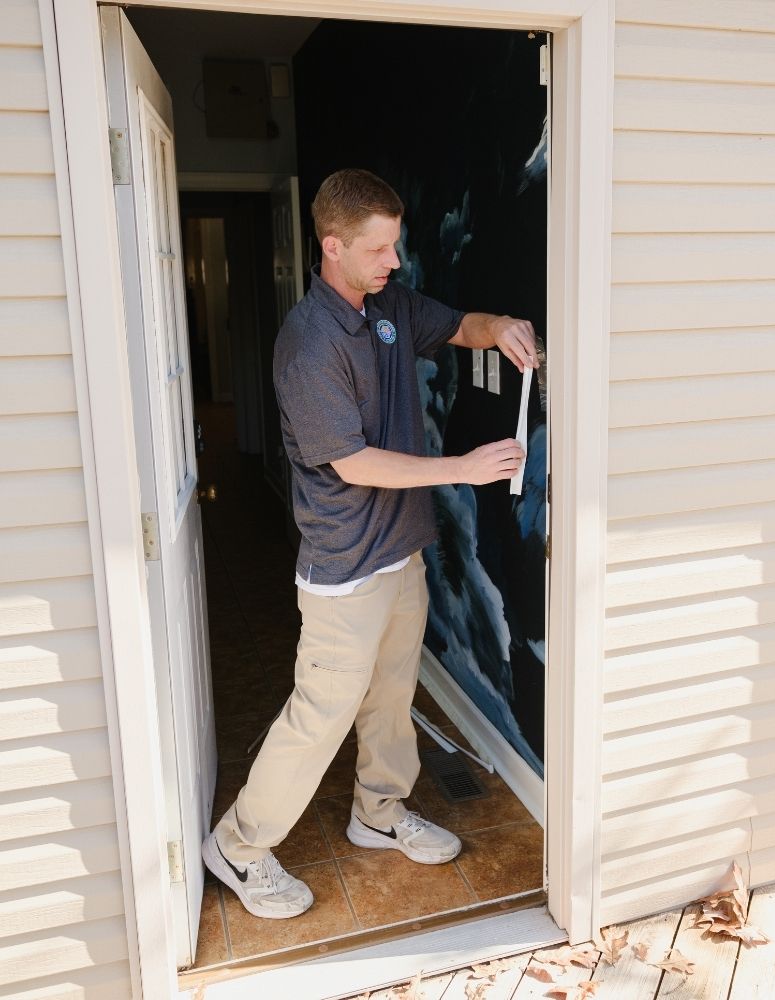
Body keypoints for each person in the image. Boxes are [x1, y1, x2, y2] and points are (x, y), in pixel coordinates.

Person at [202, 168, 538, 919]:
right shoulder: (308, 345)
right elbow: (353, 462)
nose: (394, 261)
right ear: (332, 247)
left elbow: (461, 326)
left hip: (400, 554)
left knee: (390, 700)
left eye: (396, 245)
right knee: (321, 711)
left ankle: (378, 812)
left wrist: (503, 328)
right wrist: (462, 468)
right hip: (345, 568)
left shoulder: (388, 306)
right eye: (380, 249)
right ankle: (239, 845)